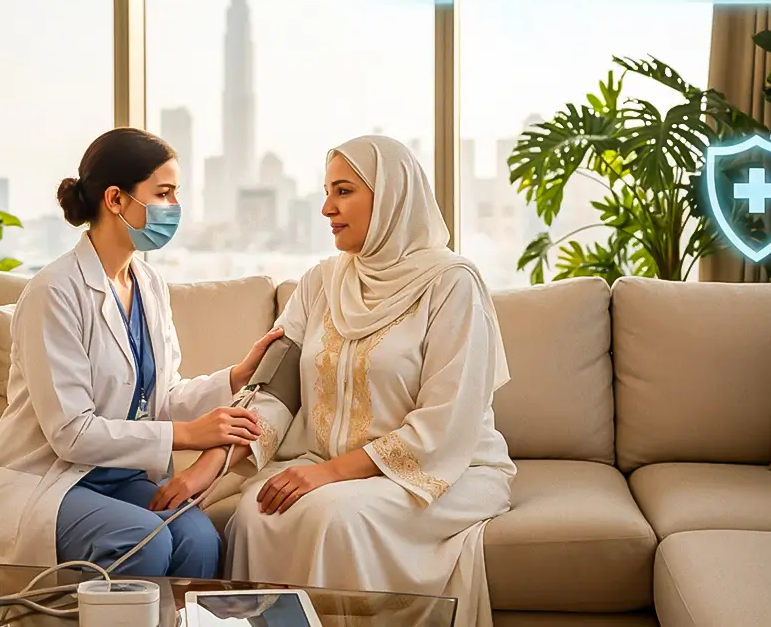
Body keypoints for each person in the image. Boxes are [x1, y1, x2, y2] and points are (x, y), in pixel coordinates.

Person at [153, 135, 516, 627]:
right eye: (326, 191)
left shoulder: (452, 285)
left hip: (441, 471)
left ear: (390, 196)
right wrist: (210, 465)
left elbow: (447, 422)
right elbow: (275, 388)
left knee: (332, 517)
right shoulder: (322, 281)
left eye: (343, 191)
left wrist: (327, 474)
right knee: (258, 515)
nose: (327, 207)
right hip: (327, 465)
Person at [0, 127, 283, 580]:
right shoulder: (54, 292)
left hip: (121, 475)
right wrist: (188, 435)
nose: (174, 207)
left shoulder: (149, 284)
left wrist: (236, 376)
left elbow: (161, 395)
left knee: (199, 539)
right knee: (144, 538)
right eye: (163, 193)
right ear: (116, 200)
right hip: (52, 478)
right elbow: (71, 435)